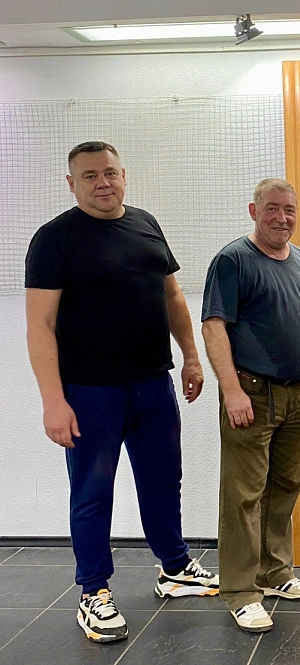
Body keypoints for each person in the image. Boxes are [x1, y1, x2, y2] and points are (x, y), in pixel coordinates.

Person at [25, 142, 219, 644]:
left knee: (163, 481)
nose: (102, 182)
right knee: (93, 492)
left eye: (109, 172)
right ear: (72, 184)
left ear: (124, 175)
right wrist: (53, 401)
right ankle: (94, 591)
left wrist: (191, 356)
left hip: (153, 382)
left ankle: (175, 567)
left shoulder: (146, 224)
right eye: (89, 176)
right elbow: (40, 326)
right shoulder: (54, 239)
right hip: (90, 392)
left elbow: (171, 294)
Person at [201, 177, 300, 633]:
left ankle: (275, 573)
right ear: (254, 211)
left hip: (296, 394)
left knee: (285, 486)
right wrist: (231, 390)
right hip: (251, 394)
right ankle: (240, 591)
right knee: (243, 495)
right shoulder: (233, 260)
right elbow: (213, 326)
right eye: (272, 208)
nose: (282, 217)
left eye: (289, 209)